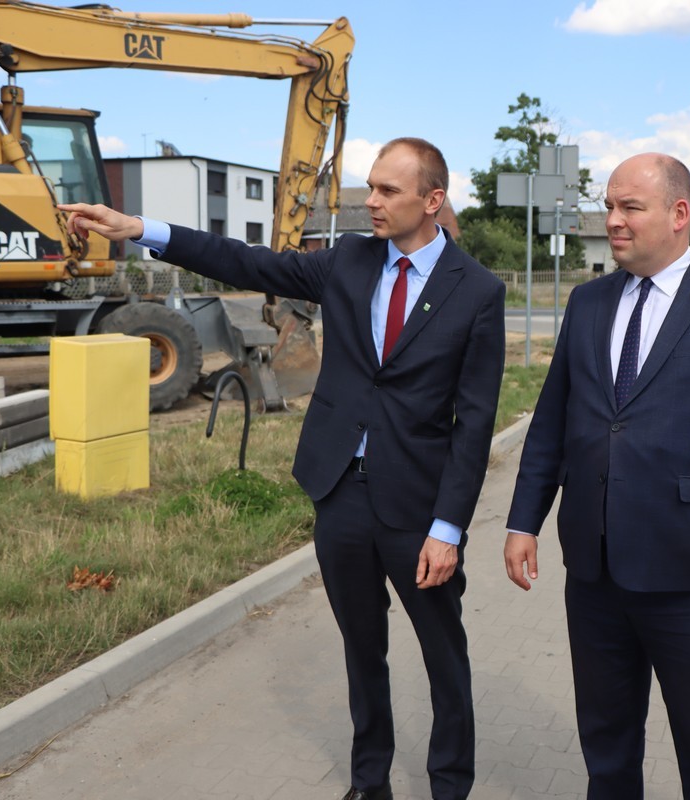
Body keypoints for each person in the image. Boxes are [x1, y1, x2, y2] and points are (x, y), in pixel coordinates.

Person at [61, 137, 506, 800]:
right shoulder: (350, 261)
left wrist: (449, 527)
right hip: (341, 493)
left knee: (443, 654)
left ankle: (449, 785)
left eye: (387, 191)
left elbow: (474, 422)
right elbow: (245, 259)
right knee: (363, 650)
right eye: (371, 186)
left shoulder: (478, 292)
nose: (371, 201)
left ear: (432, 200)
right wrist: (141, 230)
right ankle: (369, 782)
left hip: (418, 505)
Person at [503, 152, 690, 799]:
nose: (612, 220)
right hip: (596, 568)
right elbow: (551, 423)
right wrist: (524, 520)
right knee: (606, 745)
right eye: (609, 206)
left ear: (680, 214)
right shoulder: (587, 302)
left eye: (629, 207)